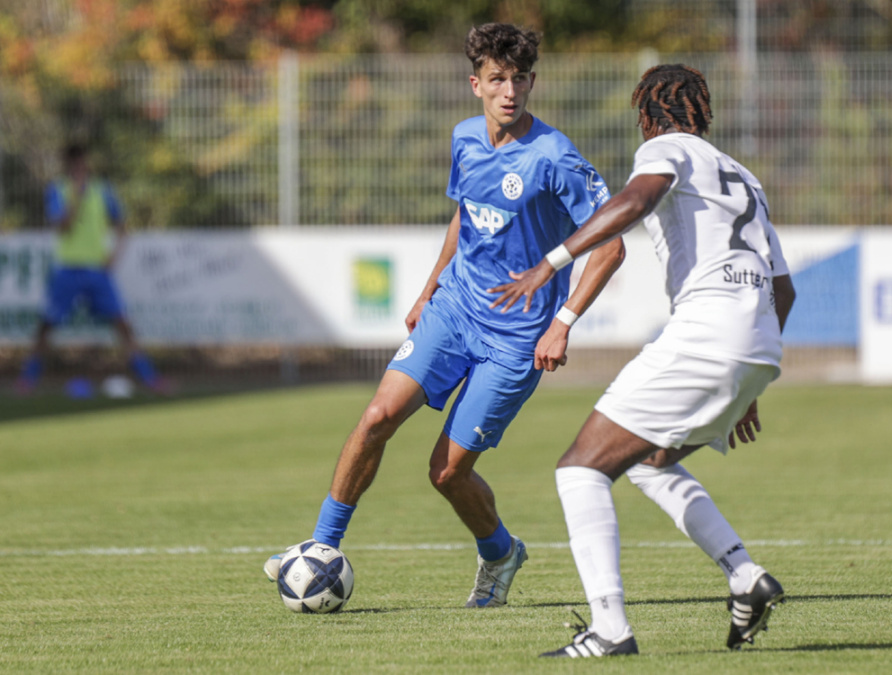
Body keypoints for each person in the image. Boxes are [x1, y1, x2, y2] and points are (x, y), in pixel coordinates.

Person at [264, 23, 625, 609]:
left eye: (520, 79)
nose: (510, 91)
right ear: (475, 84)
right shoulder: (463, 139)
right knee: (378, 415)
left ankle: (501, 553)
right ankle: (320, 547)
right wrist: (428, 289)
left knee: (445, 473)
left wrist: (563, 321)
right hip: (454, 311)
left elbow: (610, 245)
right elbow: (465, 214)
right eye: (497, 79)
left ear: (532, 82)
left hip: (515, 338)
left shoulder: (554, 157)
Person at [489, 64, 797, 657]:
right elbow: (784, 291)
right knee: (651, 461)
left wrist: (551, 262)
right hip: (757, 343)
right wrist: (749, 384)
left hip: (704, 333)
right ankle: (744, 575)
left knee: (580, 469)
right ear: (700, 110)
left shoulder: (664, 150)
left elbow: (636, 201)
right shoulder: (743, 175)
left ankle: (610, 630)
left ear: (648, 113)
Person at [16, 143, 164, 395]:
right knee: (46, 325)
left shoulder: (102, 191)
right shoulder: (58, 190)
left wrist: (114, 256)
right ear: (67, 165)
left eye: (82, 163)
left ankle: (150, 378)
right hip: (67, 269)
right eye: (74, 164)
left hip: (97, 270)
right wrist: (75, 199)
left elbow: (121, 227)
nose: (79, 168)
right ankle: (28, 379)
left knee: (123, 325)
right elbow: (62, 227)